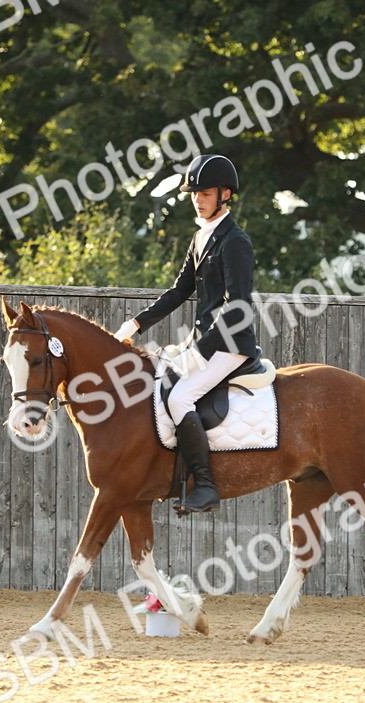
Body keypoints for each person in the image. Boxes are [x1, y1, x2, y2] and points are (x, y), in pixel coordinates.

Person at [113, 154, 259, 513]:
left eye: (206, 193)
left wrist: (202, 348)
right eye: (194, 193)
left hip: (229, 345)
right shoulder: (200, 236)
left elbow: (237, 304)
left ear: (225, 194)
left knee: (179, 399)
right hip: (204, 342)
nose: (198, 199)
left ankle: (206, 486)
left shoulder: (234, 241)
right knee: (157, 381)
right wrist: (136, 324)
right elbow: (180, 291)